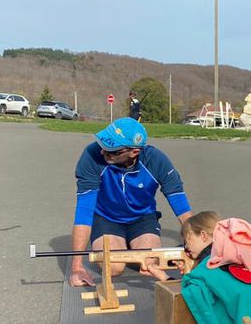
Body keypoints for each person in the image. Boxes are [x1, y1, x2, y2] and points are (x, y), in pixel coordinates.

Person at [68, 117, 192, 287]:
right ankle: (118, 243)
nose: (104, 152)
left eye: (113, 151)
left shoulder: (156, 160)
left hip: (142, 217)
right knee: (114, 268)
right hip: (106, 218)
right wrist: (77, 267)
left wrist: (196, 246)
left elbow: (180, 203)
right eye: (103, 145)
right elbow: (84, 211)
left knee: (151, 262)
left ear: (134, 151)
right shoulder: (91, 156)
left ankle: (129, 245)